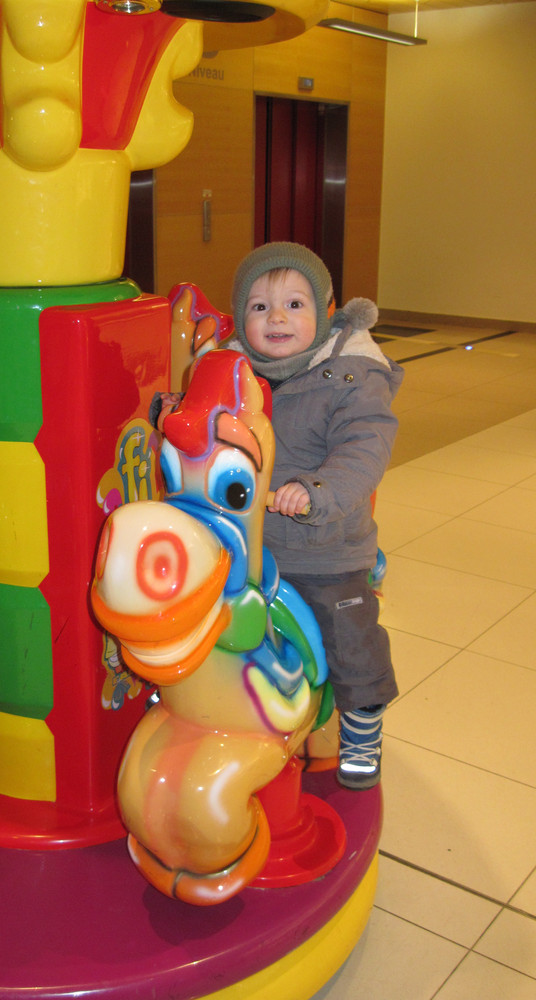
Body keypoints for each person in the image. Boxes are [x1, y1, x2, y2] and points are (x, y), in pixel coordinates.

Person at [225, 242, 404, 789]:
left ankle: (363, 725)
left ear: (327, 313)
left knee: (350, 638)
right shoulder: (230, 372)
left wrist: (315, 490)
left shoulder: (353, 376)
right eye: (260, 307)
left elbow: (364, 449)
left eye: (294, 304)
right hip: (249, 542)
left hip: (325, 546)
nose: (277, 318)